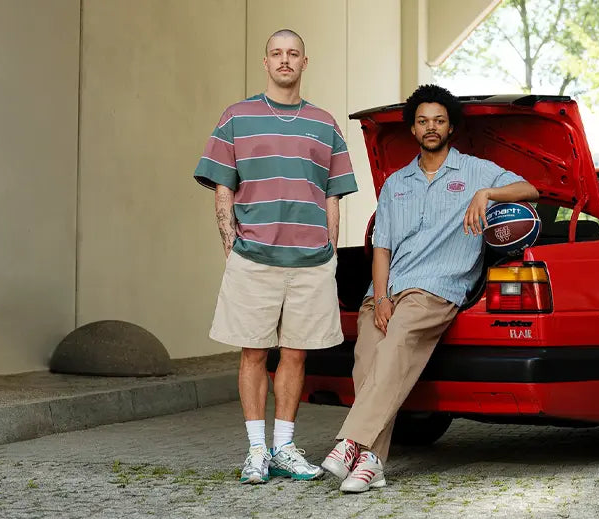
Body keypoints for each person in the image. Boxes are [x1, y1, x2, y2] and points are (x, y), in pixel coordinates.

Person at [320, 84, 539, 493]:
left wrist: (487, 193)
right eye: (423, 121)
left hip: (438, 286)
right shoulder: (395, 184)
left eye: (439, 120)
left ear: (451, 127)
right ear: (413, 129)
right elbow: (380, 246)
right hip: (388, 286)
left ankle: (349, 442)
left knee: (397, 342)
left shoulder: (477, 171)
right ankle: (372, 463)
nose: (431, 127)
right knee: (368, 358)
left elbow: (531, 189)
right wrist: (381, 297)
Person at [194, 29, 357, 484]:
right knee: (252, 353)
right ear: (265, 62)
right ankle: (255, 452)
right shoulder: (236, 117)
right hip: (253, 258)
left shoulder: (325, 123)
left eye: (293, 54)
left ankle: (283, 447)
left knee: (296, 355)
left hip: (310, 262)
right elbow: (223, 186)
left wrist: (330, 255)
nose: (285, 60)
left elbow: (332, 196)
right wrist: (231, 247)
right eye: (276, 54)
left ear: (305, 62)